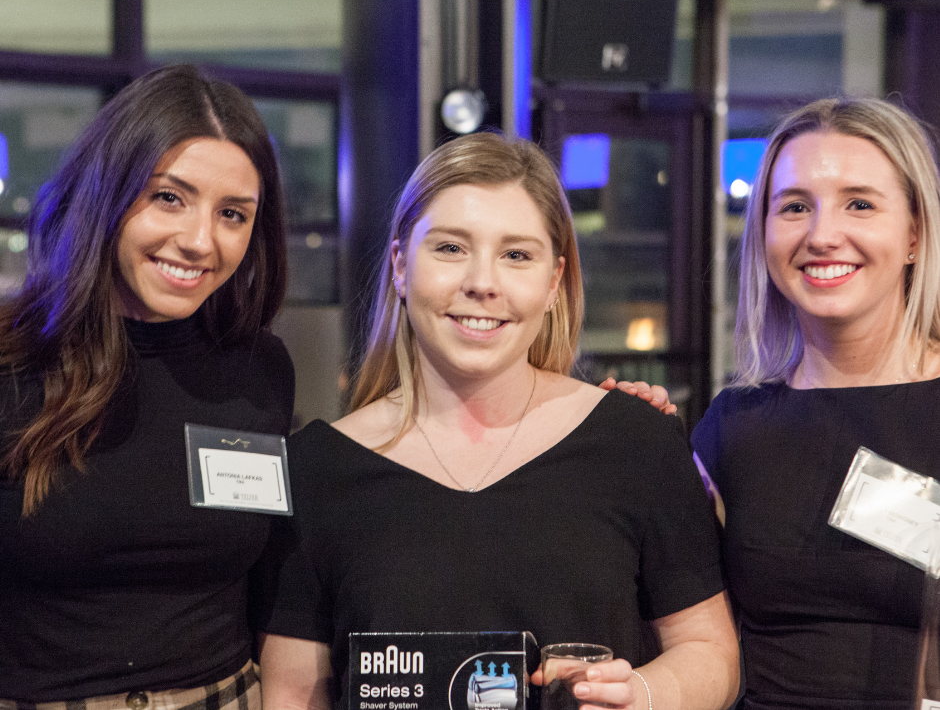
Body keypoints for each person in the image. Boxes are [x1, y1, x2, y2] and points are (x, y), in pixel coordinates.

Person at [254, 132, 739, 710]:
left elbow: (711, 650)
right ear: (401, 266)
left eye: (516, 255)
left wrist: (645, 693)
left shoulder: (638, 442)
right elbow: (290, 692)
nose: (482, 283)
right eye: (451, 248)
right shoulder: (316, 470)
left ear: (554, 283)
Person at [0, 65, 295, 709]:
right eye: (168, 197)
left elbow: (272, 583)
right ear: (106, 193)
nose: (197, 240)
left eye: (232, 214)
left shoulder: (260, 367)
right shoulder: (11, 365)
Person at [692, 97, 940, 708]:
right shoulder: (735, 426)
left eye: (860, 204)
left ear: (913, 234)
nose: (823, 235)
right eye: (795, 207)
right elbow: (690, 635)